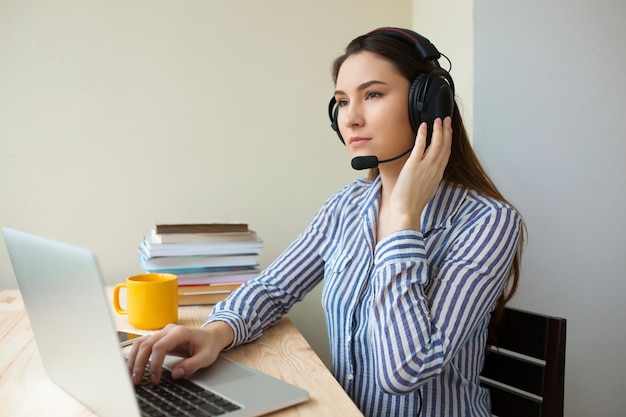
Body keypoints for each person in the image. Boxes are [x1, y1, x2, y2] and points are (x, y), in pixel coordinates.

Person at [127, 27, 525, 417]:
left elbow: (405, 371)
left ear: (428, 104)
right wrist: (213, 333)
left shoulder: (487, 221)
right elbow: (273, 288)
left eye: (372, 94)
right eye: (342, 101)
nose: (351, 119)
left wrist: (403, 220)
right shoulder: (347, 206)